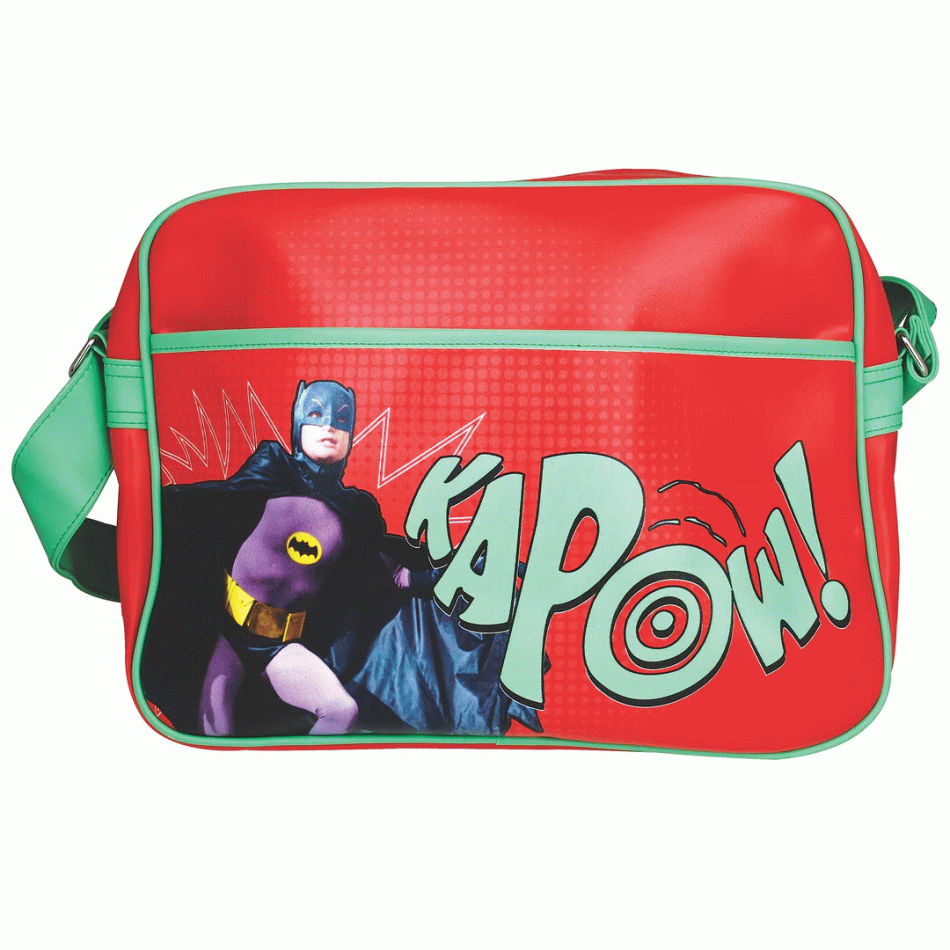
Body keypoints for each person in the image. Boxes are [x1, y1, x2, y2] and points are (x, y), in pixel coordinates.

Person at [143, 380, 541, 739]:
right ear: (298, 422)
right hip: (228, 635)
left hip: (281, 646)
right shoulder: (270, 468)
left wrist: (462, 575)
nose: (329, 426)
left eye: (341, 418)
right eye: (316, 414)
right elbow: (207, 511)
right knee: (215, 726)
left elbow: (395, 575)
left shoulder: (356, 511)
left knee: (341, 711)